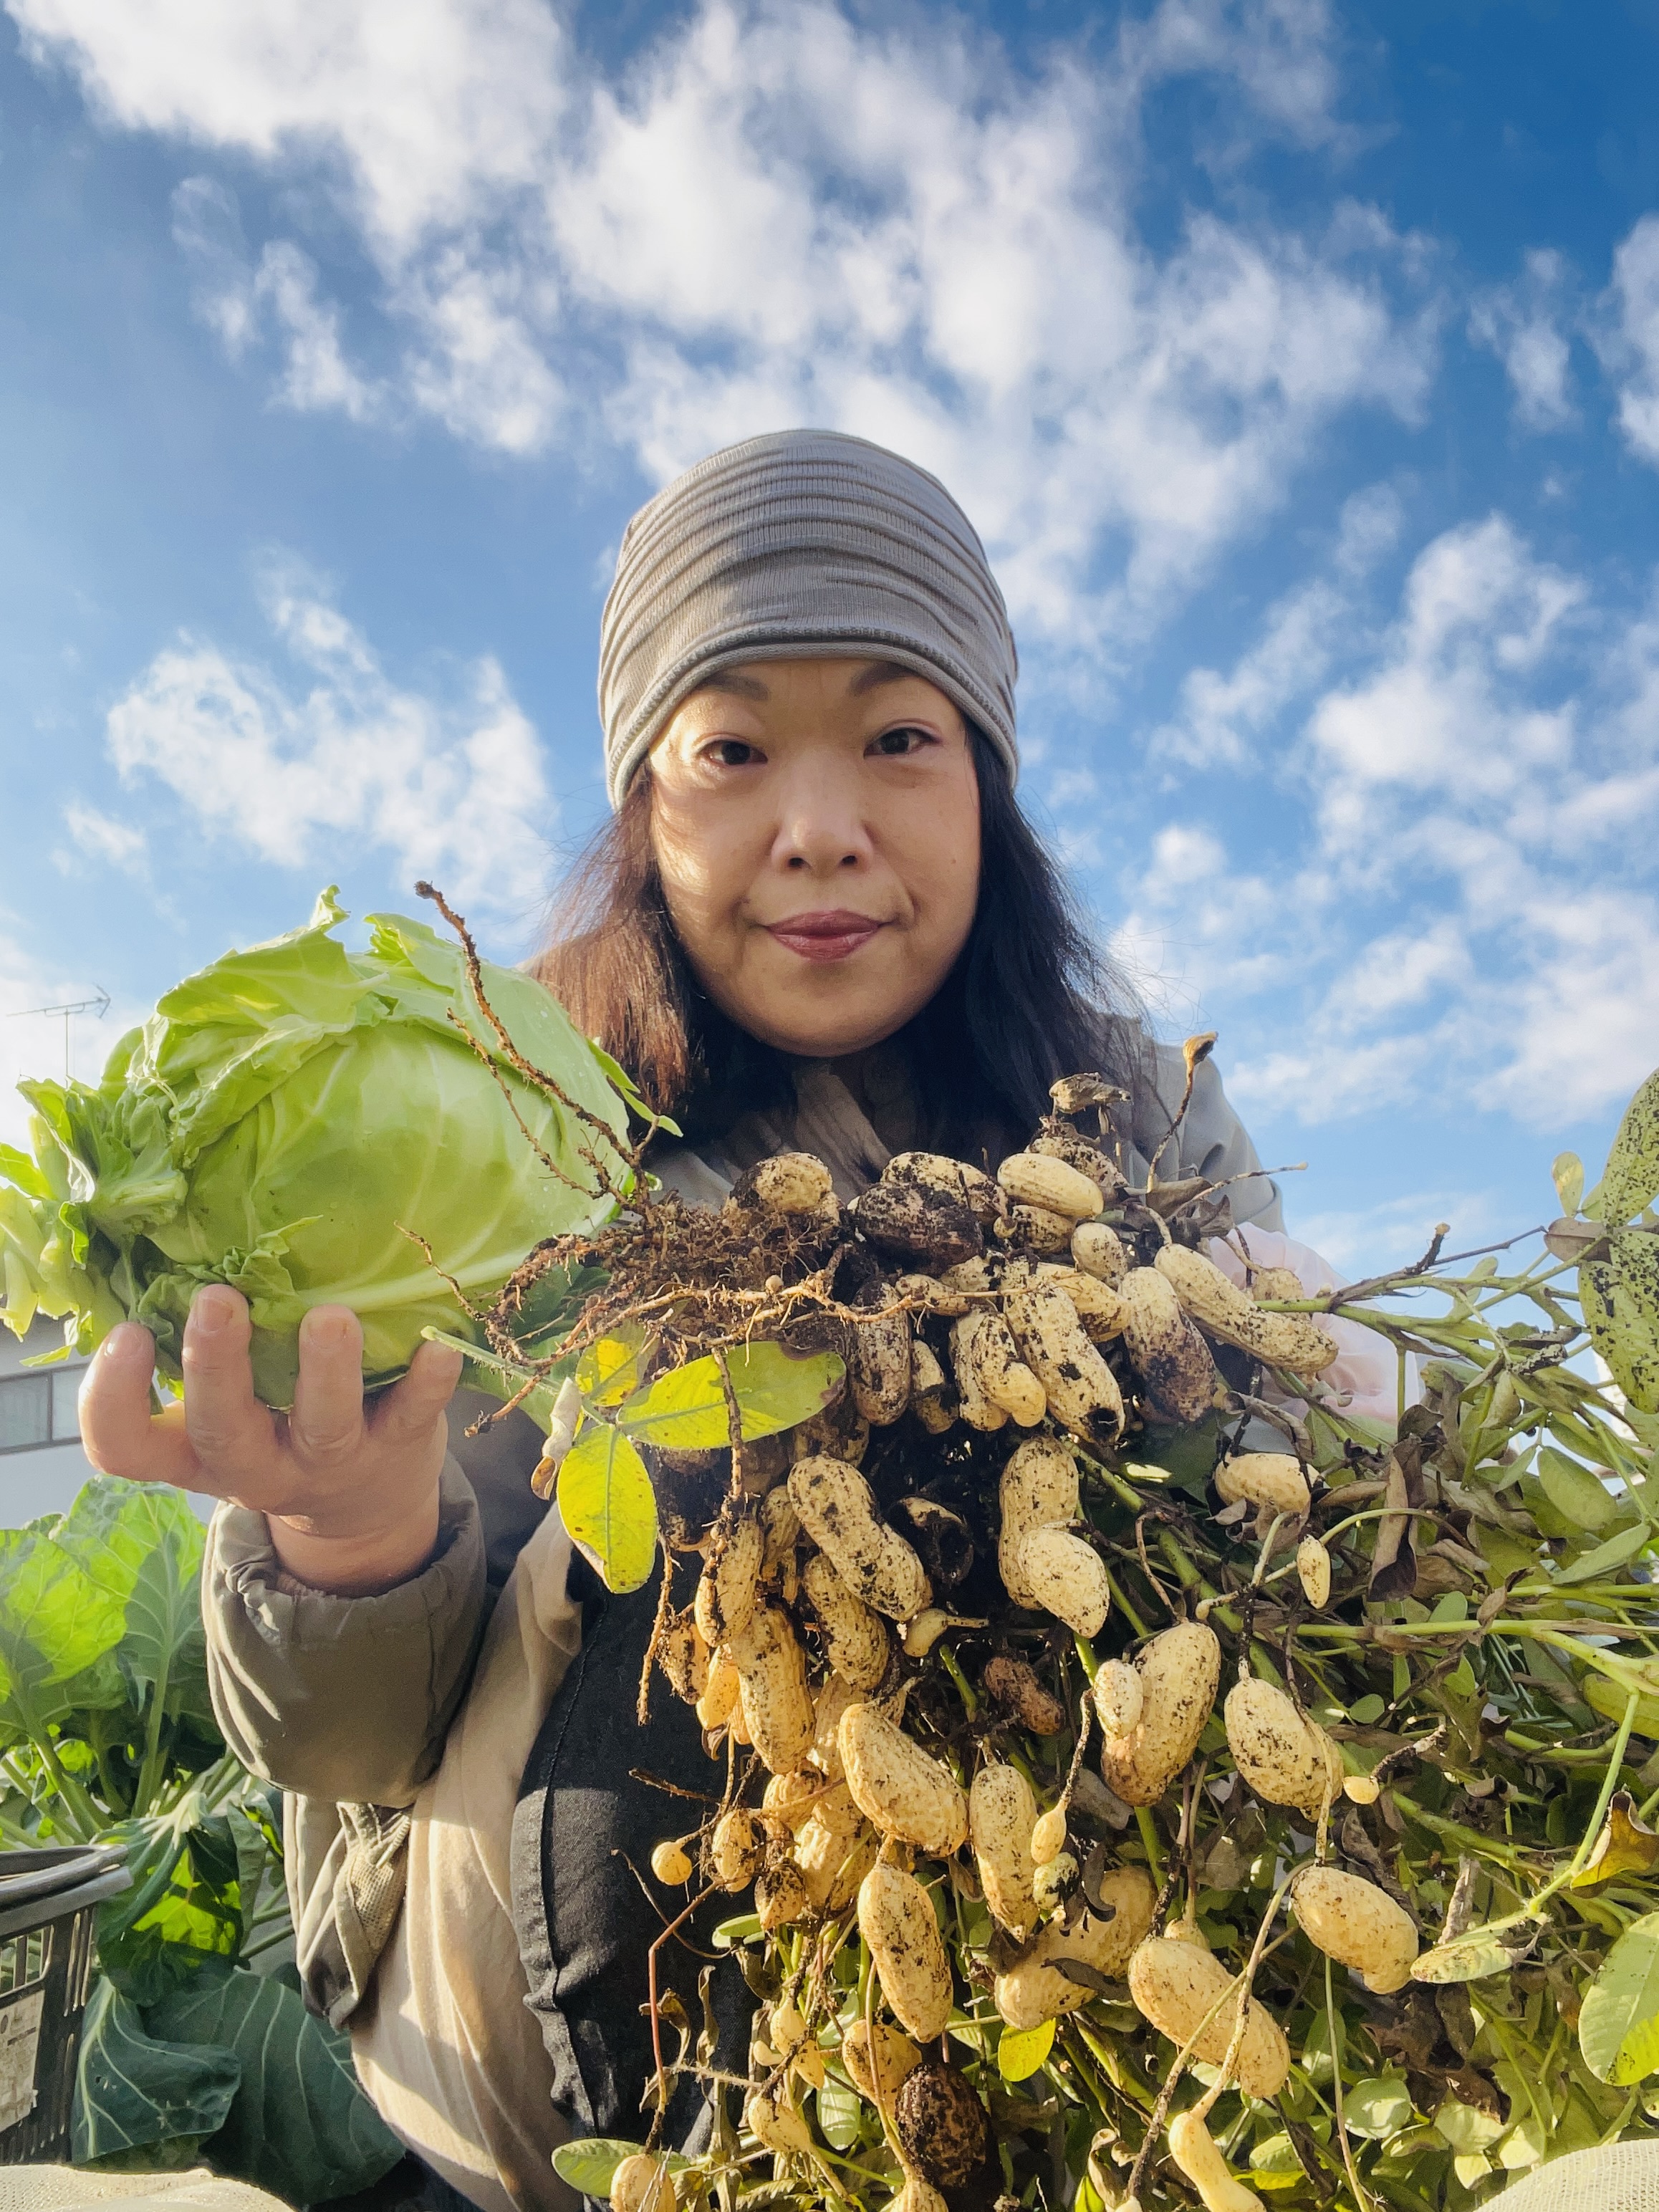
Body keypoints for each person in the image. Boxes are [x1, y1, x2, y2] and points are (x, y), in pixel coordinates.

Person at [78, 431, 1391, 2212]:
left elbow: (1312, 1513)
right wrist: (350, 1535)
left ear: (989, 788)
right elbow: (354, 1748)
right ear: (646, 801)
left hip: (1064, 1936)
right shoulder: (510, 1132)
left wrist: (1327, 1384)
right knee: (721, 1511)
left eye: (899, 736)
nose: (819, 822)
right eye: (734, 747)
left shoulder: (1143, 1112)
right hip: (556, 2009)